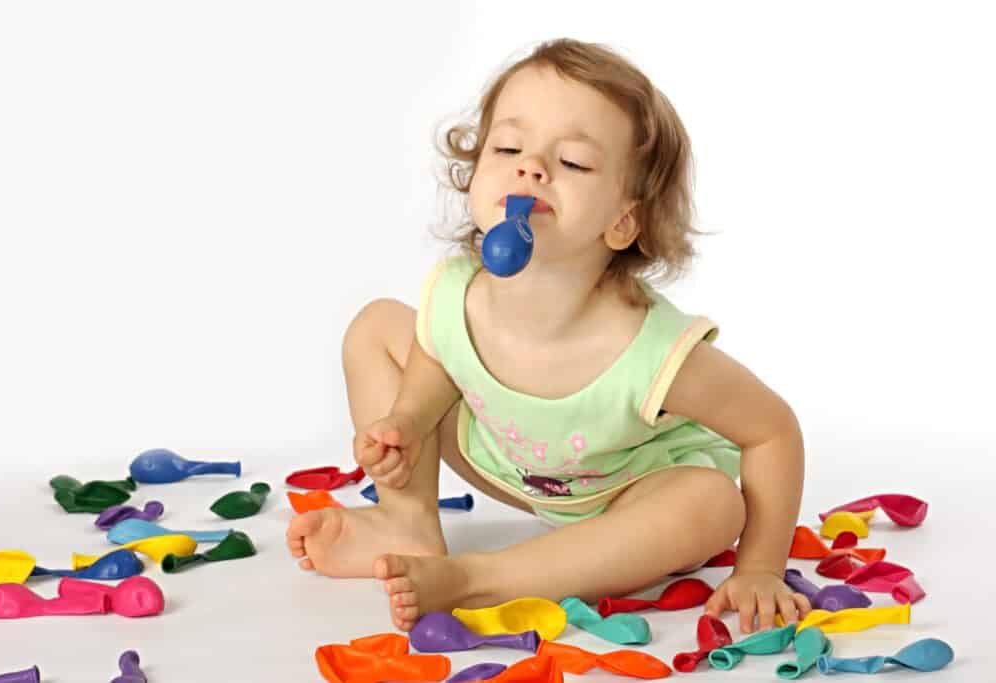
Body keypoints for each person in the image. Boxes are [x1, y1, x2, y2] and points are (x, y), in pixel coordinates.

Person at [286, 37, 811, 634]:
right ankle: (407, 523)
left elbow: (772, 430)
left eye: (574, 163)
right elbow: (439, 354)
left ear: (623, 222)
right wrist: (406, 420)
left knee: (712, 502)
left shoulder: (653, 349)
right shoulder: (457, 292)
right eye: (508, 147)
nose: (530, 167)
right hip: (509, 463)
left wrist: (763, 565)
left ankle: (484, 579)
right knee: (378, 324)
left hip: (625, 498)